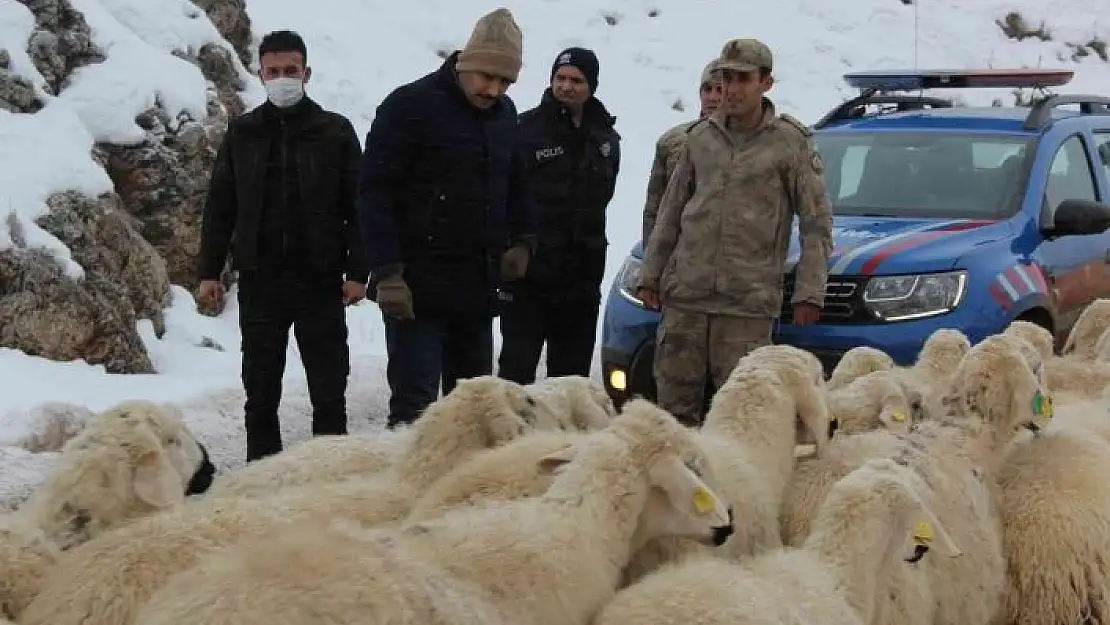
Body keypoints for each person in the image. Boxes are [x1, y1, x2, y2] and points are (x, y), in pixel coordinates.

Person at [635, 38, 833, 426]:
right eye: (726, 78)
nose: (731, 89)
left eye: (743, 79)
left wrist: (811, 291)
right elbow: (671, 212)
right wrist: (651, 275)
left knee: (742, 419)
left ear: (766, 83)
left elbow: (816, 223)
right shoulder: (699, 139)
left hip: (745, 306)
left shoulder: (789, 144)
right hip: (686, 302)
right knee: (673, 417)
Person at [357, 8, 539, 429]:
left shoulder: (505, 117)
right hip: (416, 292)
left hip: (476, 291)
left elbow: (517, 184)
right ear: (465, 64)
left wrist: (524, 241)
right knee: (414, 411)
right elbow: (374, 192)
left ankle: (461, 494)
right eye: (487, 77)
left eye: (505, 81)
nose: (494, 89)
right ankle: (404, 492)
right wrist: (387, 273)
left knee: (474, 413)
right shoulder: (409, 107)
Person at [195, 29, 369, 461]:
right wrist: (208, 272)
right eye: (273, 72)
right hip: (261, 281)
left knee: (329, 390)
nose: (282, 78)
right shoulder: (243, 133)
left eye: (291, 70)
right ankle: (262, 481)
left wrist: (358, 273)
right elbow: (221, 205)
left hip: (321, 280)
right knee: (260, 392)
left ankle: (330, 477)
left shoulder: (335, 132)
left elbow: (360, 207)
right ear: (260, 74)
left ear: (306, 72)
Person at [497, 47, 620, 385]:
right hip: (530, 279)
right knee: (514, 379)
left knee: (571, 384)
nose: (566, 86)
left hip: (581, 280)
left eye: (576, 80)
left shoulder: (606, 137)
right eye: (560, 78)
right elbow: (506, 198)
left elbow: (603, 199)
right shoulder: (524, 130)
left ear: (591, 85)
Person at [642, 60, 723, 244]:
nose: (712, 97)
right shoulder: (672, 141)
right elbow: (654, 210)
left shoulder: (750, 146)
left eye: (720, 90)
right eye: (707, 89)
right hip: (679, 254)